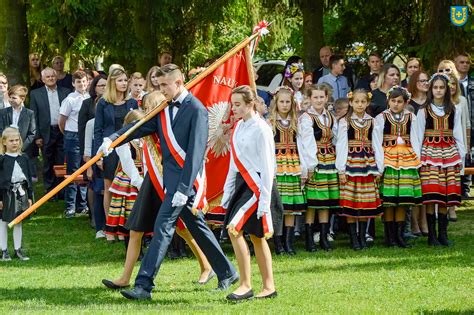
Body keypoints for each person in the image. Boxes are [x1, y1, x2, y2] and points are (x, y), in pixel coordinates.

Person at [98, 64, 238, 300]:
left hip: (183, 186)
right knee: (198, 228)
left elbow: (195, 153)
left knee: (162, 229)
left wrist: (184, 189)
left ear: (179, 82)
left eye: (165, 85)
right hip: (169, 183)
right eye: (159, 85)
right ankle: (228, 271)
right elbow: (139, 127)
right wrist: (112, 140)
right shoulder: (164, 108)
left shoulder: (197, 109)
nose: (161, 90)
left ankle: (144, 285)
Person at [102, 92, 214, 289]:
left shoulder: (170, 125)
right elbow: (130, 131)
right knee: (136, 230)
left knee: (184, 228)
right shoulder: (150, 123)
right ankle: (125, 277)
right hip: (151, 182)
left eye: (153, 106)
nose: (149, 110)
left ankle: (207, 265)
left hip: (169, 183)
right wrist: (110, 141)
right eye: (147, 107)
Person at [220, 85, 276, 300]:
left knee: (236, 230)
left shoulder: (262, 129)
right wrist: (228, 191)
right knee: (255, 236)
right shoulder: (239, 127)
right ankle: (268, 286)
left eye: (237, 105)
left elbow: (268, 166)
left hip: (259, 186)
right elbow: (234, 163)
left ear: (250, 104)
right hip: (244, 185)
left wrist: (265, 200)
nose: (233, 109)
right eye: (232, 104)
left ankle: (246, 284)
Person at [415, 73, 465, 246]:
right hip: (430, 155)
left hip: (449, 154)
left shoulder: (454, 110)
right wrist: (418, 160)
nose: (438, 90)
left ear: (447, 89)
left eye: (441, 87)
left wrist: (461, 157)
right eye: (435, 87)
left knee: (445, 194)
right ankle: (432, 235)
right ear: (431, 89)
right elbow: (417, 137)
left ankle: (443, 234)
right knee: (431, 194)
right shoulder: (423, 111)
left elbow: (458, 134)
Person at [373, 86, 422, 248]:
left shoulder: (411, 117)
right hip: (388, 159)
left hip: (407, 160)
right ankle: (390, 236)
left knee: (402, 199)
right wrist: (380, 164)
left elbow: (415, 139)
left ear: (405, 102)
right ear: (388, 101)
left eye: (399, 102)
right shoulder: (381, 118)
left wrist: (418, 160)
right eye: (393, 101)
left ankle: (400, 235)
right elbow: (377, 142)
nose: (396, 104)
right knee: (389, 199)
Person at [336, 89, 384, 250]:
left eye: (363, 102)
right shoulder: (345, 122)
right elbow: (341, 145)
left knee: (365, 201)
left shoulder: (373, 121)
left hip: (368, 164)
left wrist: (379, 167)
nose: (360, 104)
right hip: (351, 163)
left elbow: (377, 144)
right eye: (356, 101)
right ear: (350, 102)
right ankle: (353, 237)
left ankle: (363, 235)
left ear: (368, 103)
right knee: (352, 200)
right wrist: (341, 169)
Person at [94, 67, 138, 240]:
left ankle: (124, 228)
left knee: (126, 189)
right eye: (120, 80)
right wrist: (99, 154)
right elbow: (98, 130)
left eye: (125, 80)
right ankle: (109, 229)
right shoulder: (103, 103)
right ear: (112, 82)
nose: (123, 83)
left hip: (128, 150)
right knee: (109, 189)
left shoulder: (132, 103)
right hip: (109, 150)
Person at [298, 84, 339, 251]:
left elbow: (335, 138)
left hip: (330, 159)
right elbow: (306, 143)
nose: (319, 100)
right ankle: (309, 239)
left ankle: (323, 238)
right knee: (313, 201)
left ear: (326, 98)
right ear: (309, 98)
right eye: (315, 97)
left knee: (325, 202)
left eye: (322, 97)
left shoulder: (330, 117)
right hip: (314, 160)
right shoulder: (306, 118)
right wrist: (310, 164)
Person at [267, 86, 306, 255]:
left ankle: (289, 242)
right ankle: (278, 242)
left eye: (287, 102)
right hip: (277, 165)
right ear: (276, 103)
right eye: (281, 102)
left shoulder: (297, 122)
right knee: (278, 205)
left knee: (292, 205)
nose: (284, 105)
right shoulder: (270, 123)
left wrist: (304, 168)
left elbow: (303, 146)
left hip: (293, 164)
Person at [30, 67, 71, 195]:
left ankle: (61, 189)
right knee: (48, 162)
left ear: (56, 77)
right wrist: (37, 136)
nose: (50, 78)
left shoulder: (66, 92)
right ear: (42, 79)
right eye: (47, 77)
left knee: (61, 161)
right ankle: (50, 190)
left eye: (52, 76)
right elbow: (34, 116)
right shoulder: (35, 94)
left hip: (62, 131)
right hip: (45, 132)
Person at [59, 70, 90, 218]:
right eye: (78, 82)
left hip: (86, 136)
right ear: (73, 84)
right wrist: (68, 134)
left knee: (85, 171)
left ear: (88, 82)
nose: (82, 84)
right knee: (73, 171)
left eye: (84, 81)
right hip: (72, 136)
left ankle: (82, 205)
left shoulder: (90, 97)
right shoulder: (70, 99)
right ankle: (70, 206)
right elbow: (62, 121)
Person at [0, 127, 33, 261]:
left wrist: (30, 197)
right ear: (4, 142)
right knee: (3, 222)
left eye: (16, 140)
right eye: (11, 140)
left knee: (18, 222)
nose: (14, 143)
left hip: (21, 194)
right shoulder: (1, 160)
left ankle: (18, 250)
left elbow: (29, 179)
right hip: (5, 195)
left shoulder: (24, 158)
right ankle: (4, 251)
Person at [448, 73, 470, 217]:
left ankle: (452, 207)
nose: (451, 87)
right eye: (448, 84)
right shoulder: (439, 102)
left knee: (455, 177)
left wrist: (467, 144)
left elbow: (467, 123)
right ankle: (444, 206)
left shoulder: (461, 100)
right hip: (444, 143)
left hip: (459, 142)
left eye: (454, 84)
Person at [0, 85, 36, 163]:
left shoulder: (29, 114)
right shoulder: (3, 113)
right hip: (6, 150)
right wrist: (7, 146)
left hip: (24, 151)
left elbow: (32, 133)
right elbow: (1, 130)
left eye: (14, 98)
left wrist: (21, 148)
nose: (11, 100)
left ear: (22, 99)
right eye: (10, 97)